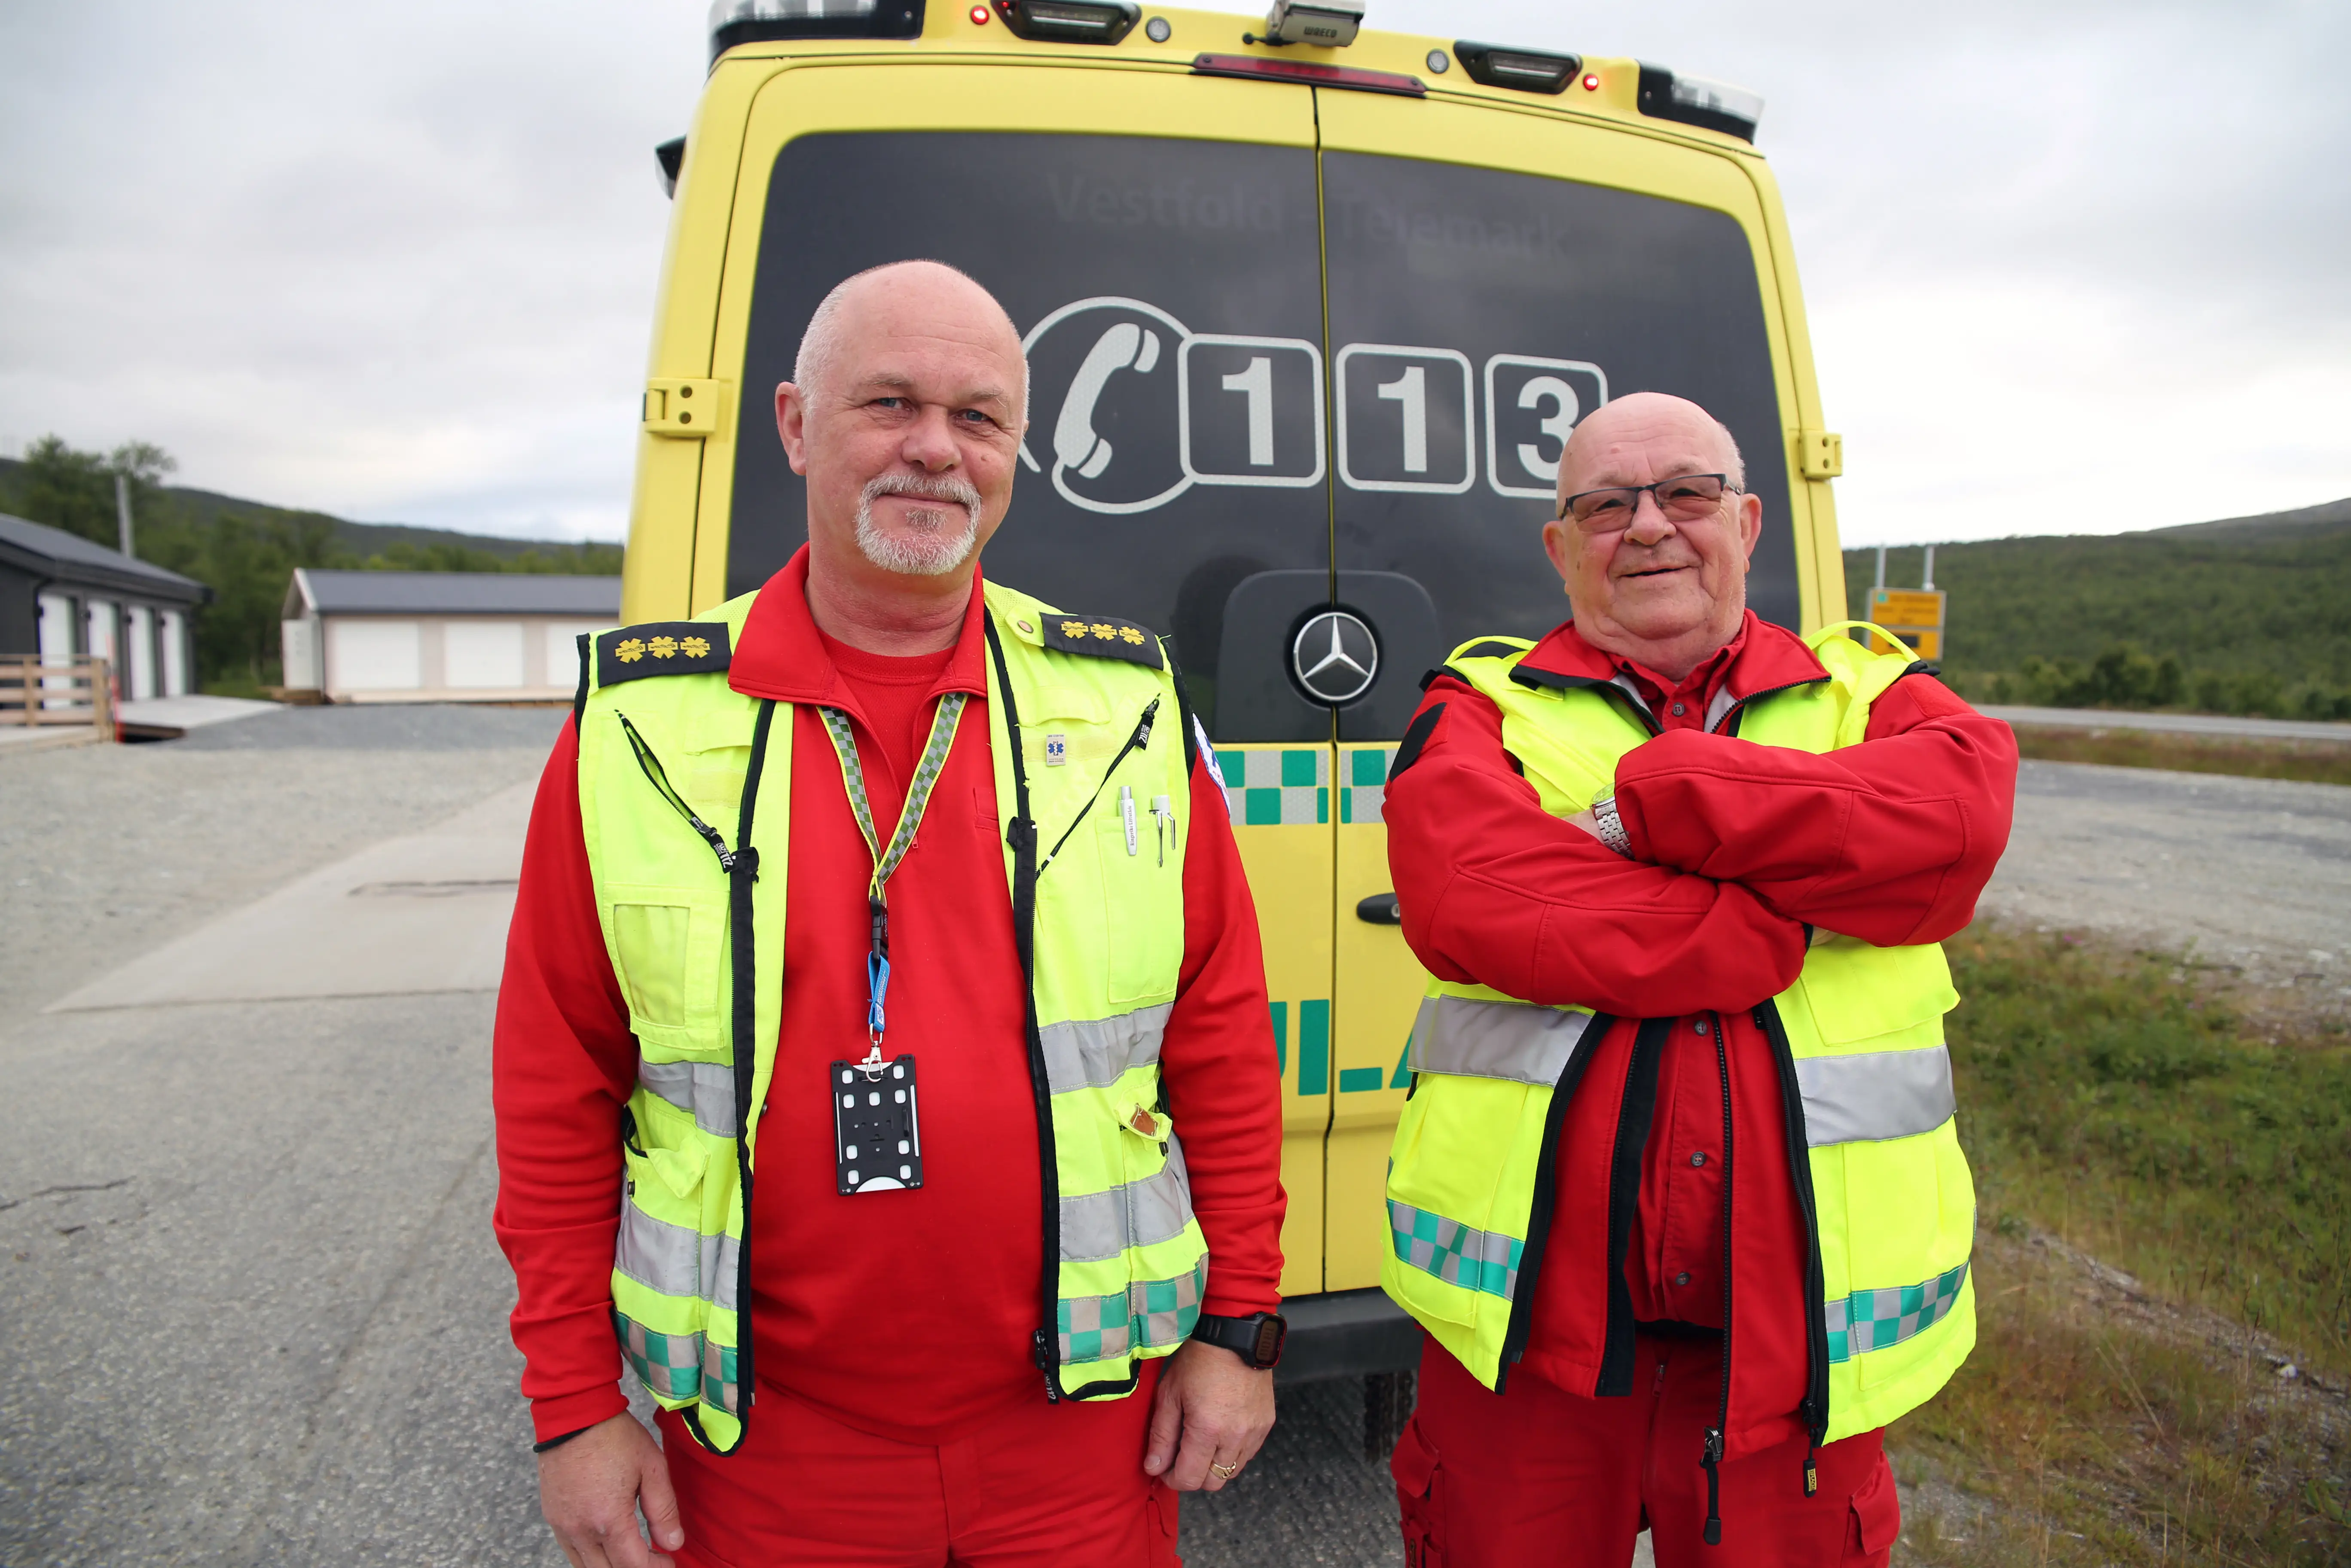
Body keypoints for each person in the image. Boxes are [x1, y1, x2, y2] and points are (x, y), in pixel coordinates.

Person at [493, 260, 1287, 1568]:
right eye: (890, 404)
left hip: (1081, 1438)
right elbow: (553, 1087)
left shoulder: (1127, 714)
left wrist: (1241, 1329)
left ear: (1018, 455)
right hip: (768, 1457)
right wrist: (574, 1407)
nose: (936, 449)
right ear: (798, 425)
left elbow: (1221, 1045)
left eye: (979, 418)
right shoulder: (638, 733)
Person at [1379, 392, 2017, 1567]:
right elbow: (1466, 891)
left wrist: (1655, 804)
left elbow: (1957, 825)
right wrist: (1771, 913)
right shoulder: (1482, 705)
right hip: (1530, 1350)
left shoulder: (1868, 693)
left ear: (1748, 521)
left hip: (1797, 1354)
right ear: (1560, 546)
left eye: (1686, 493)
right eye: (1606, 504)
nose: (1650, 527)